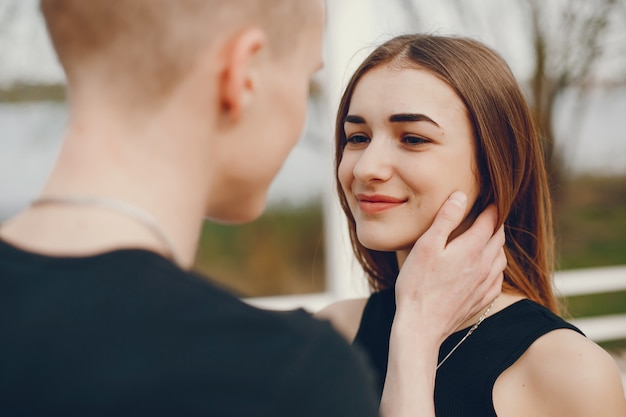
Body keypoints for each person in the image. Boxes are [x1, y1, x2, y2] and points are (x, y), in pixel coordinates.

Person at [0, 2, 507, 416]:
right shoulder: (282, 378)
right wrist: (414, 340)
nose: (364, 165)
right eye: (306, 76)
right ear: (242, 73)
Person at [317, 33, 626, 417]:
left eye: (412, 138)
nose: (366, 168)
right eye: (357, 137)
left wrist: (414, 342)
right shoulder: (331, 336)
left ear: (493, 163)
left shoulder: (569, 374)